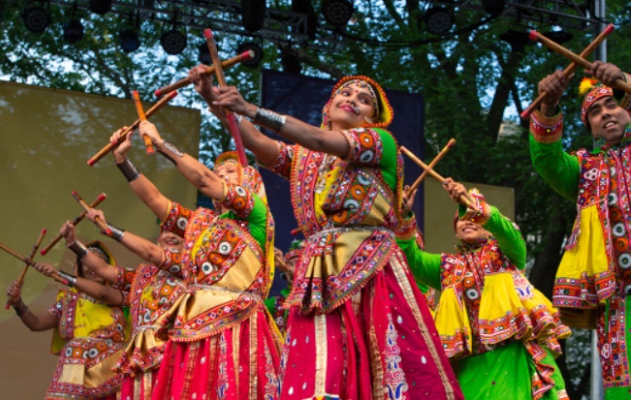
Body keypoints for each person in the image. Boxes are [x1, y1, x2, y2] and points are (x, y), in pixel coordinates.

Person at [190, 67, 463, 399]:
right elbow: (258, 141)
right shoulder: (306, 157)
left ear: (371, 120)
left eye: (364, 100)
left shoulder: (380, 143)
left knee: (381, 366)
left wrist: (251, 109)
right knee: (321, 368)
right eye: (345, 94)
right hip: (318, 274)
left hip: (370, 269)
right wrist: (212, 99)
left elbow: (317, 137)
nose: (353, 100)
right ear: (327, 107)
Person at [92, 121, 281, 400]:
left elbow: (204, 180)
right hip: (192, 329)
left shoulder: (257, 215)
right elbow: (156, 200)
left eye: (230, 172)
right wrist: (122, 160)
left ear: (250, 182)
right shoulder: (202, 223)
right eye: (219, 172)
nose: (221, 175)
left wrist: (159, 142)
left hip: (236, 324)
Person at [397, 179, 570, 399]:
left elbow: (505, 229)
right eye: (461, 219)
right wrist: (403, 217)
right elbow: (412, 260)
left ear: (488, 229)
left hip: (509, 358)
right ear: (456, 232)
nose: (467, 221)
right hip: (470, 365)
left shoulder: (507, 254)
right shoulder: (447, 267)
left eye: (472, 217)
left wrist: (468, 203)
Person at [530, 61, 631, 397]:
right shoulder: (585, 169)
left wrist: (623, 80)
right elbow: (547, 160)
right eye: (595, 112)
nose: (605, 113)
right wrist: (548, 106)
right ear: (591, 128)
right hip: (617, 303)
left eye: (613, 104)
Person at [53, 220, 186, 400]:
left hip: (172, 352)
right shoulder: (143, 276)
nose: (171, 236)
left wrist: (108, 228)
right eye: (166, 231)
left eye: (178, 233)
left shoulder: (191, 272)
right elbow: (104, 271)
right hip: (139, 359)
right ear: (158, 240)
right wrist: (73, 244)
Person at [6, 241, 127, 400]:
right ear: (79, 269)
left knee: (75, 348)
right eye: (87, 264)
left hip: (110, 373)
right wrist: (17, 303)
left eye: (98, 263)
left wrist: (59, 273)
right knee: (74, 349)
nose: (93, 268)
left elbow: (103, 294)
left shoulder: (120, 295)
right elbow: (35, 324)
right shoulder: (68, 302)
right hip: (77, 372)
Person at [265, 240, 303, 335]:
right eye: (289, 264)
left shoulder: (316, 296)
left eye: (298, 263)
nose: (292, 268)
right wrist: (266, 263)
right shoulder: (275, 303)